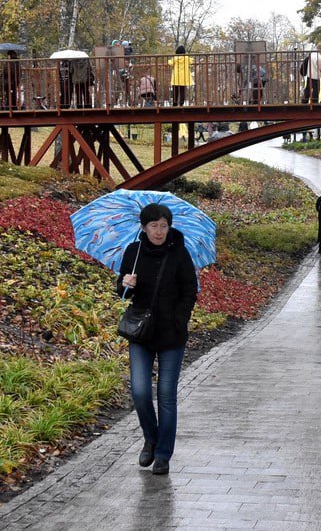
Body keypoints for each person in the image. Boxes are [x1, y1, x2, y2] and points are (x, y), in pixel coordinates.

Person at [115, 203, 198, 476]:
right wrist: (125, 284)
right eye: (154, 226)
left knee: (166, 395)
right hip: (141, 333)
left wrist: (179, 319)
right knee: (140, 391)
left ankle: (163, 454)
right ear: (144, 227)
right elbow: (122, 292)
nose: (159, 231)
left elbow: (189, 290)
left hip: (172, 334)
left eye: (164, 226)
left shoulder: (179, 253)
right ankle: (151, 438)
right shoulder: (134, 252)